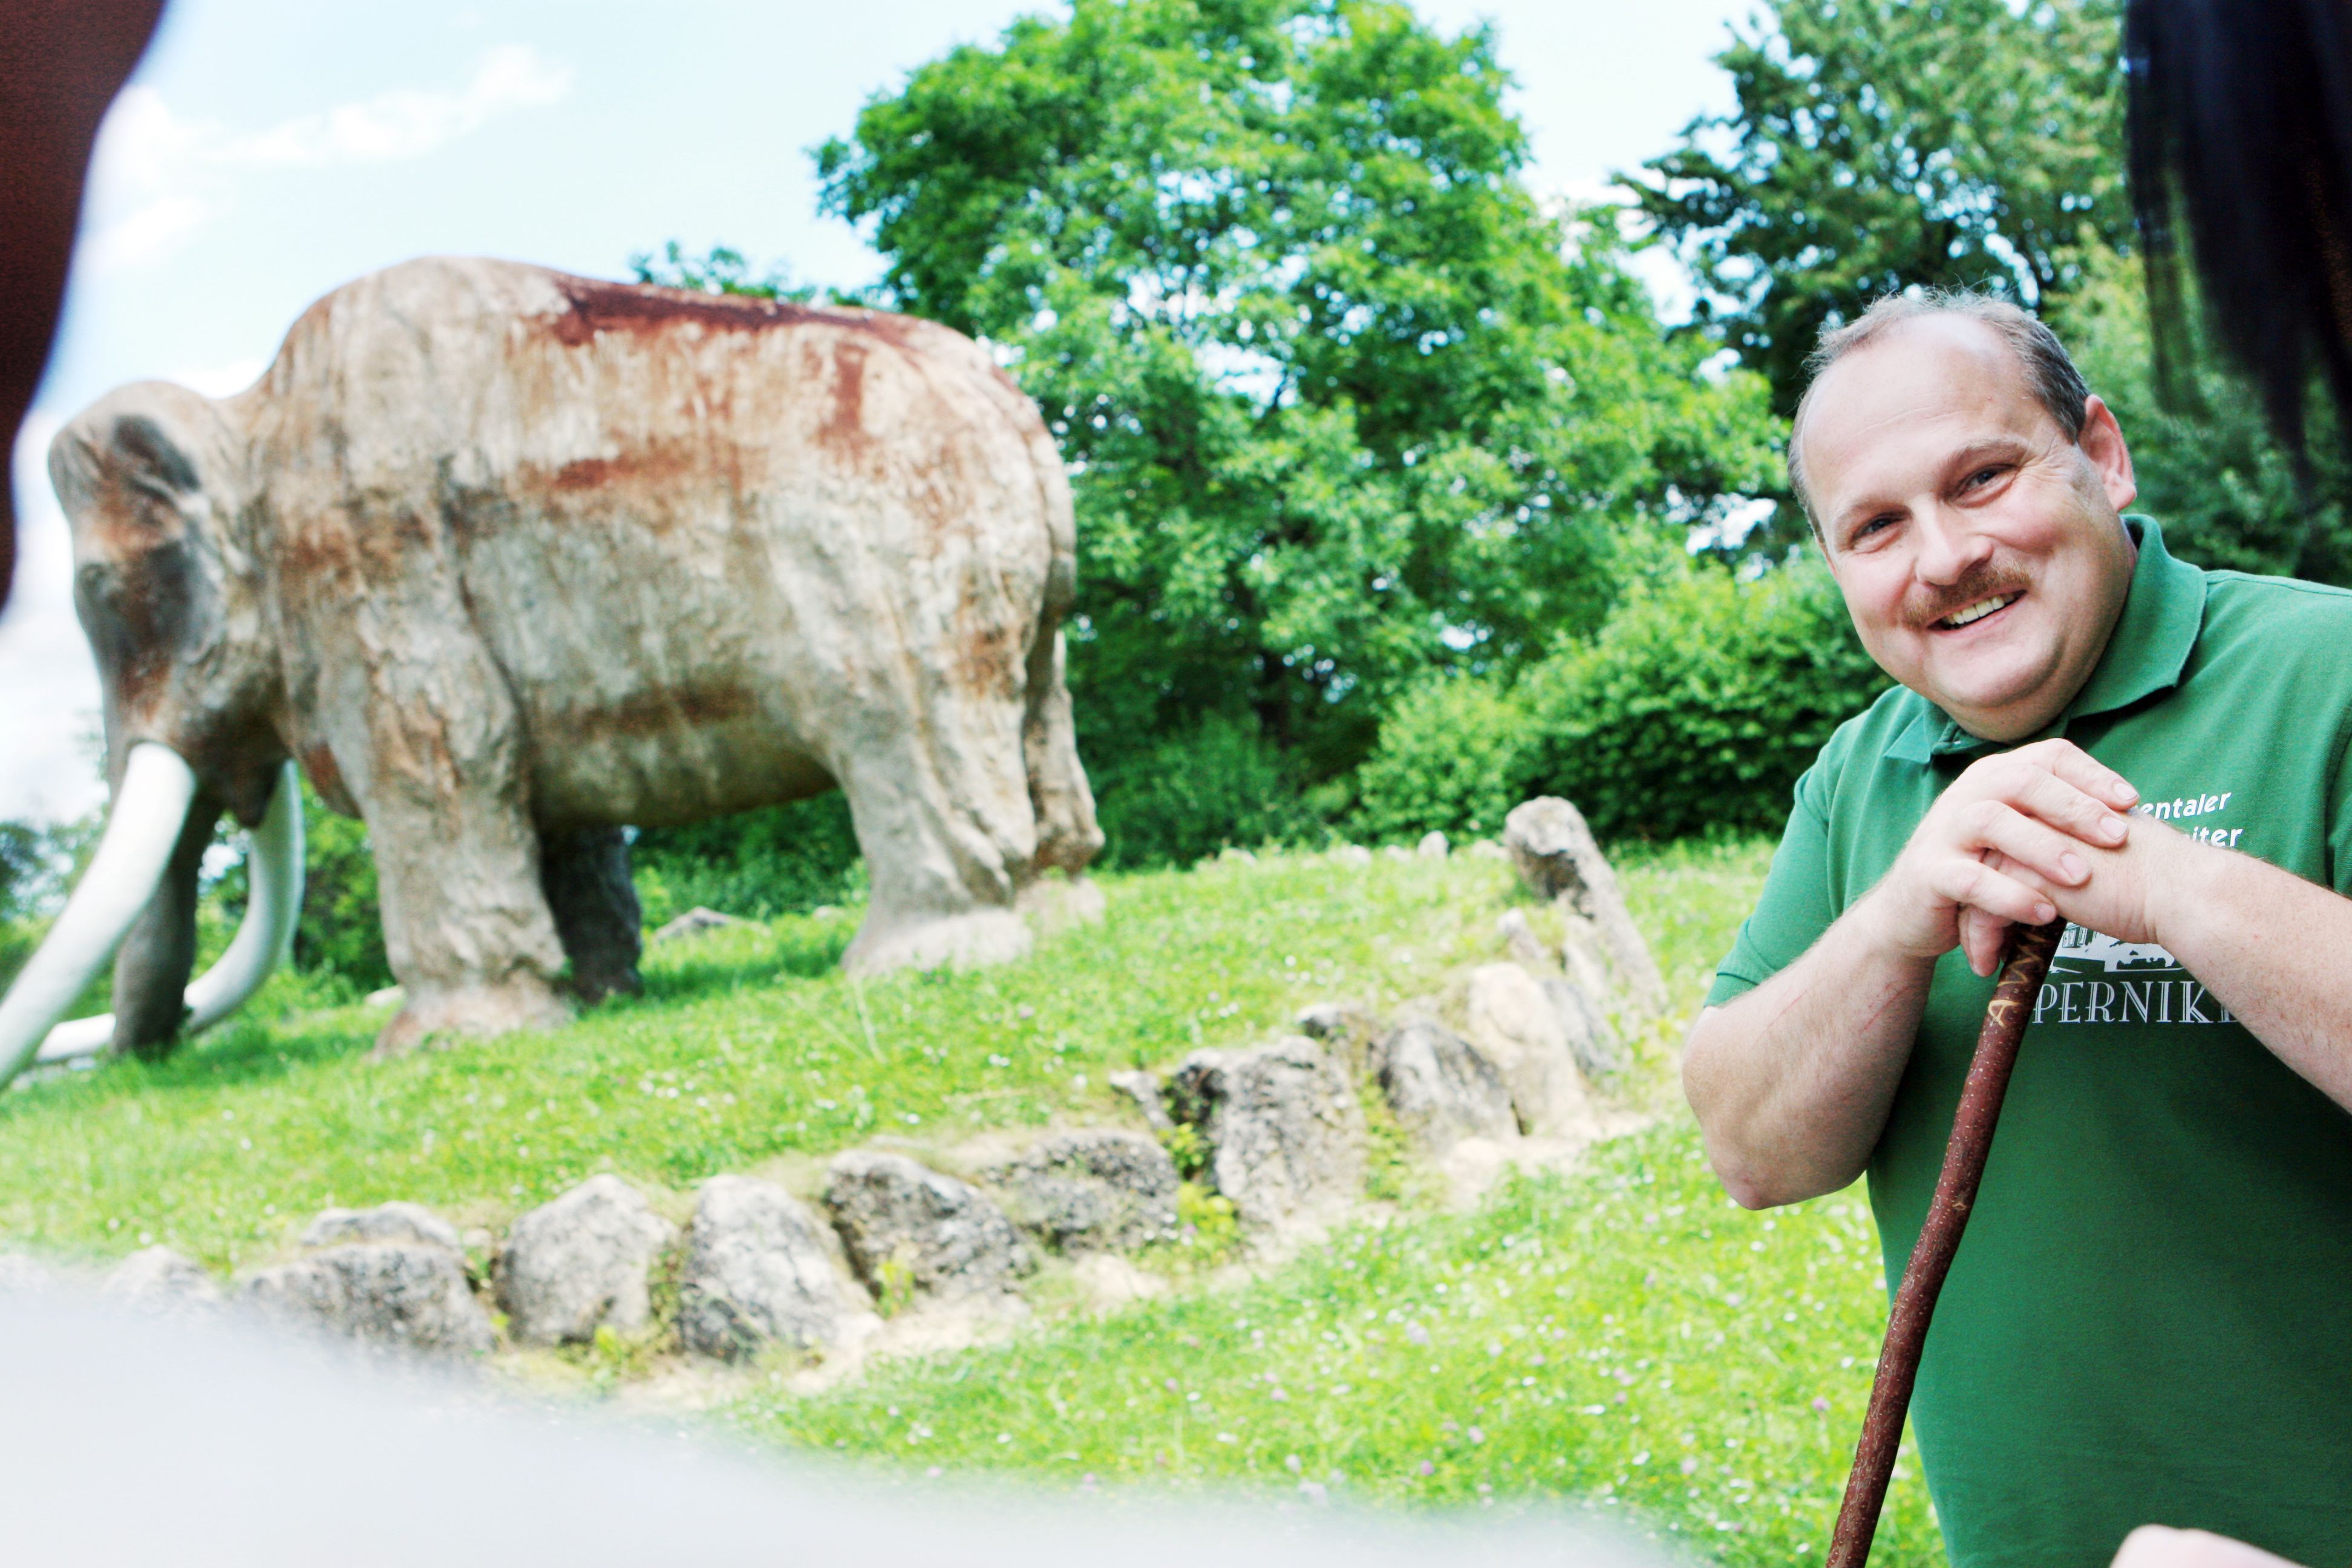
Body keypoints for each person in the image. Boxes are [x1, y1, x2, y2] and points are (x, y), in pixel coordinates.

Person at [1681, 290, 2352, 1568]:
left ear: (2100, 455)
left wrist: (2168, 889)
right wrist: (1892, 927)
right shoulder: (1859, 775)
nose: (1939, 557)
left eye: (1981, 478)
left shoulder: (2328, 672)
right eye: (1875, 527)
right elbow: (1751, 1153)